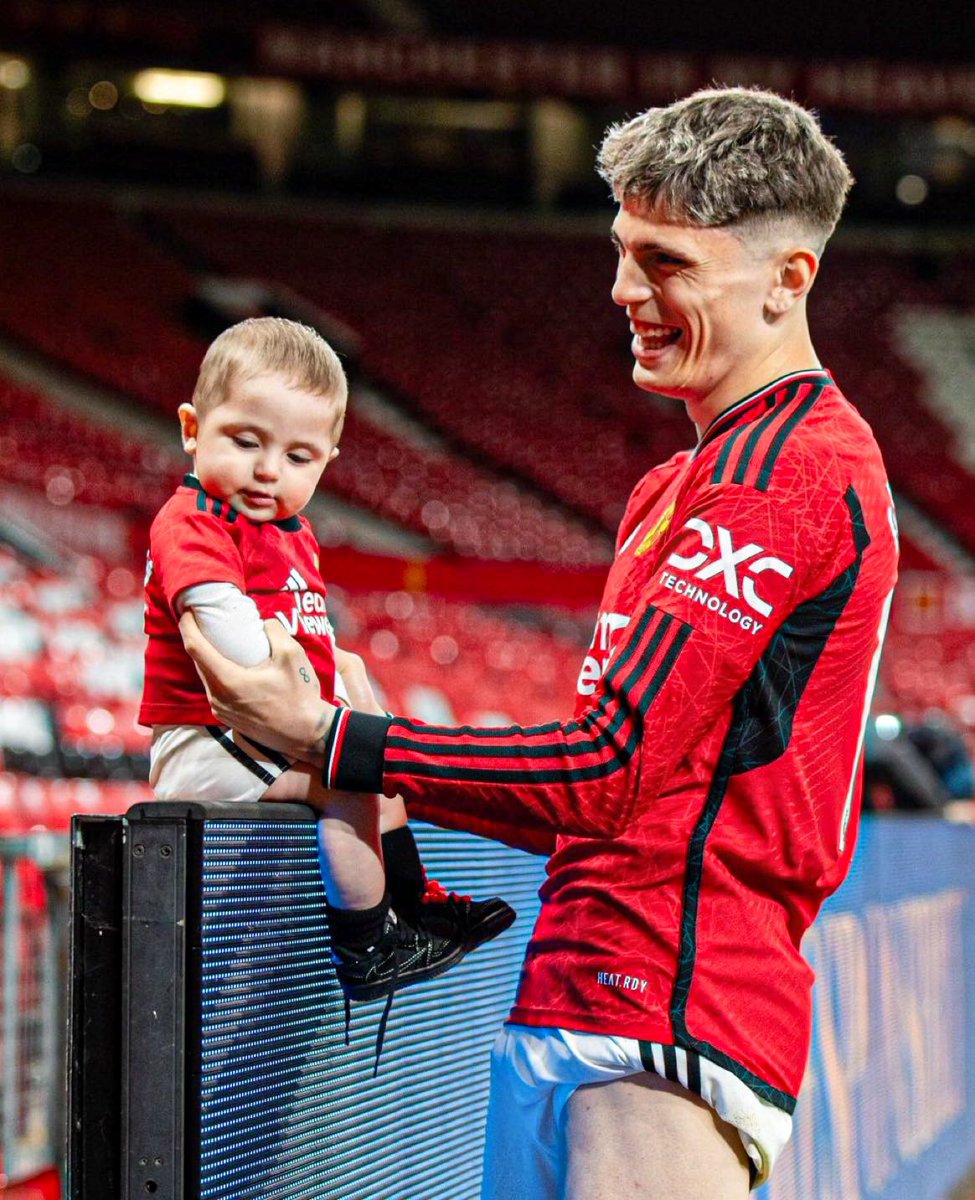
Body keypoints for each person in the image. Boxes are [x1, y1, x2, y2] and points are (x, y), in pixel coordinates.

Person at [178, 90, 899, 1199]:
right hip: (596, 997)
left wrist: (341, 742)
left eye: (666, 264)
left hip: (663, 1017)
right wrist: (363, 758)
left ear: (788, 279)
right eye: (621, 252)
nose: (623, 291)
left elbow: (603, 774)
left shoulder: (783, 475)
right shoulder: (689, 477)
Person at [139, 316, 514, 1034]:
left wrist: (353, 716)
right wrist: (325, 724)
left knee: (376, 749)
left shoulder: (290, 531)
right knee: (346, 778)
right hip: (208, 737)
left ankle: (411, 899)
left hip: (270, 730)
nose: (268, 470)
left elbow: (313, 649)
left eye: (298, 456)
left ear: (328, 461)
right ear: (192, 428)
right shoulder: (196, 521)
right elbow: (237, 648)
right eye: (246, 442)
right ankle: (367, 944)